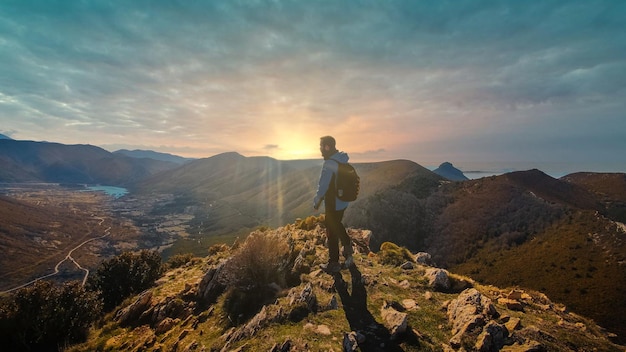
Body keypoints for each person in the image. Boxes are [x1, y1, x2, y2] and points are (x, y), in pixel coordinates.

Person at [314, 135, 354, 273]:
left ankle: (333, 263)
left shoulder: (329, 163)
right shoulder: (341, 159)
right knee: (337, 224)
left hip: (333, 203)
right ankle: (348, 247)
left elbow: (323, 186)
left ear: (327, 147)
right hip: (343, 201)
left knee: (331, 230)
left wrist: (316, 202)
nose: (320, 149)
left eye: (321, 146)